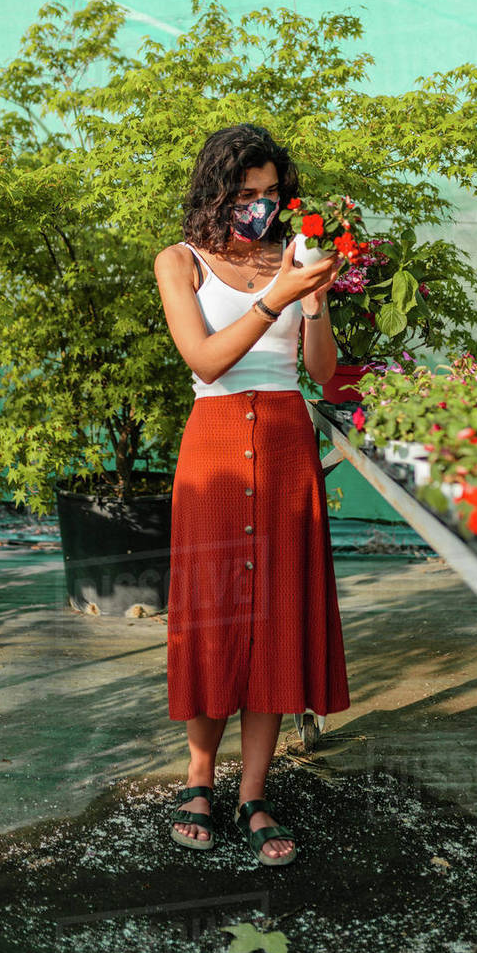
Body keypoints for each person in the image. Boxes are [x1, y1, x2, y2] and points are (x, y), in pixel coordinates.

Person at [153, 123, 352, 866]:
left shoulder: (293, 259)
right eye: (247, 195)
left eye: (271, 195)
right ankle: (199, 780)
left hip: (283, 440)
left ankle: (254, 792)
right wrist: (276, 299)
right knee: (212, 614)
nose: (261, 208)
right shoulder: (180, 262)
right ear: (217, 193)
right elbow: (205, 357)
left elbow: (324, 373)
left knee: (275, 616)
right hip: (212, 444)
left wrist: (314, 299)